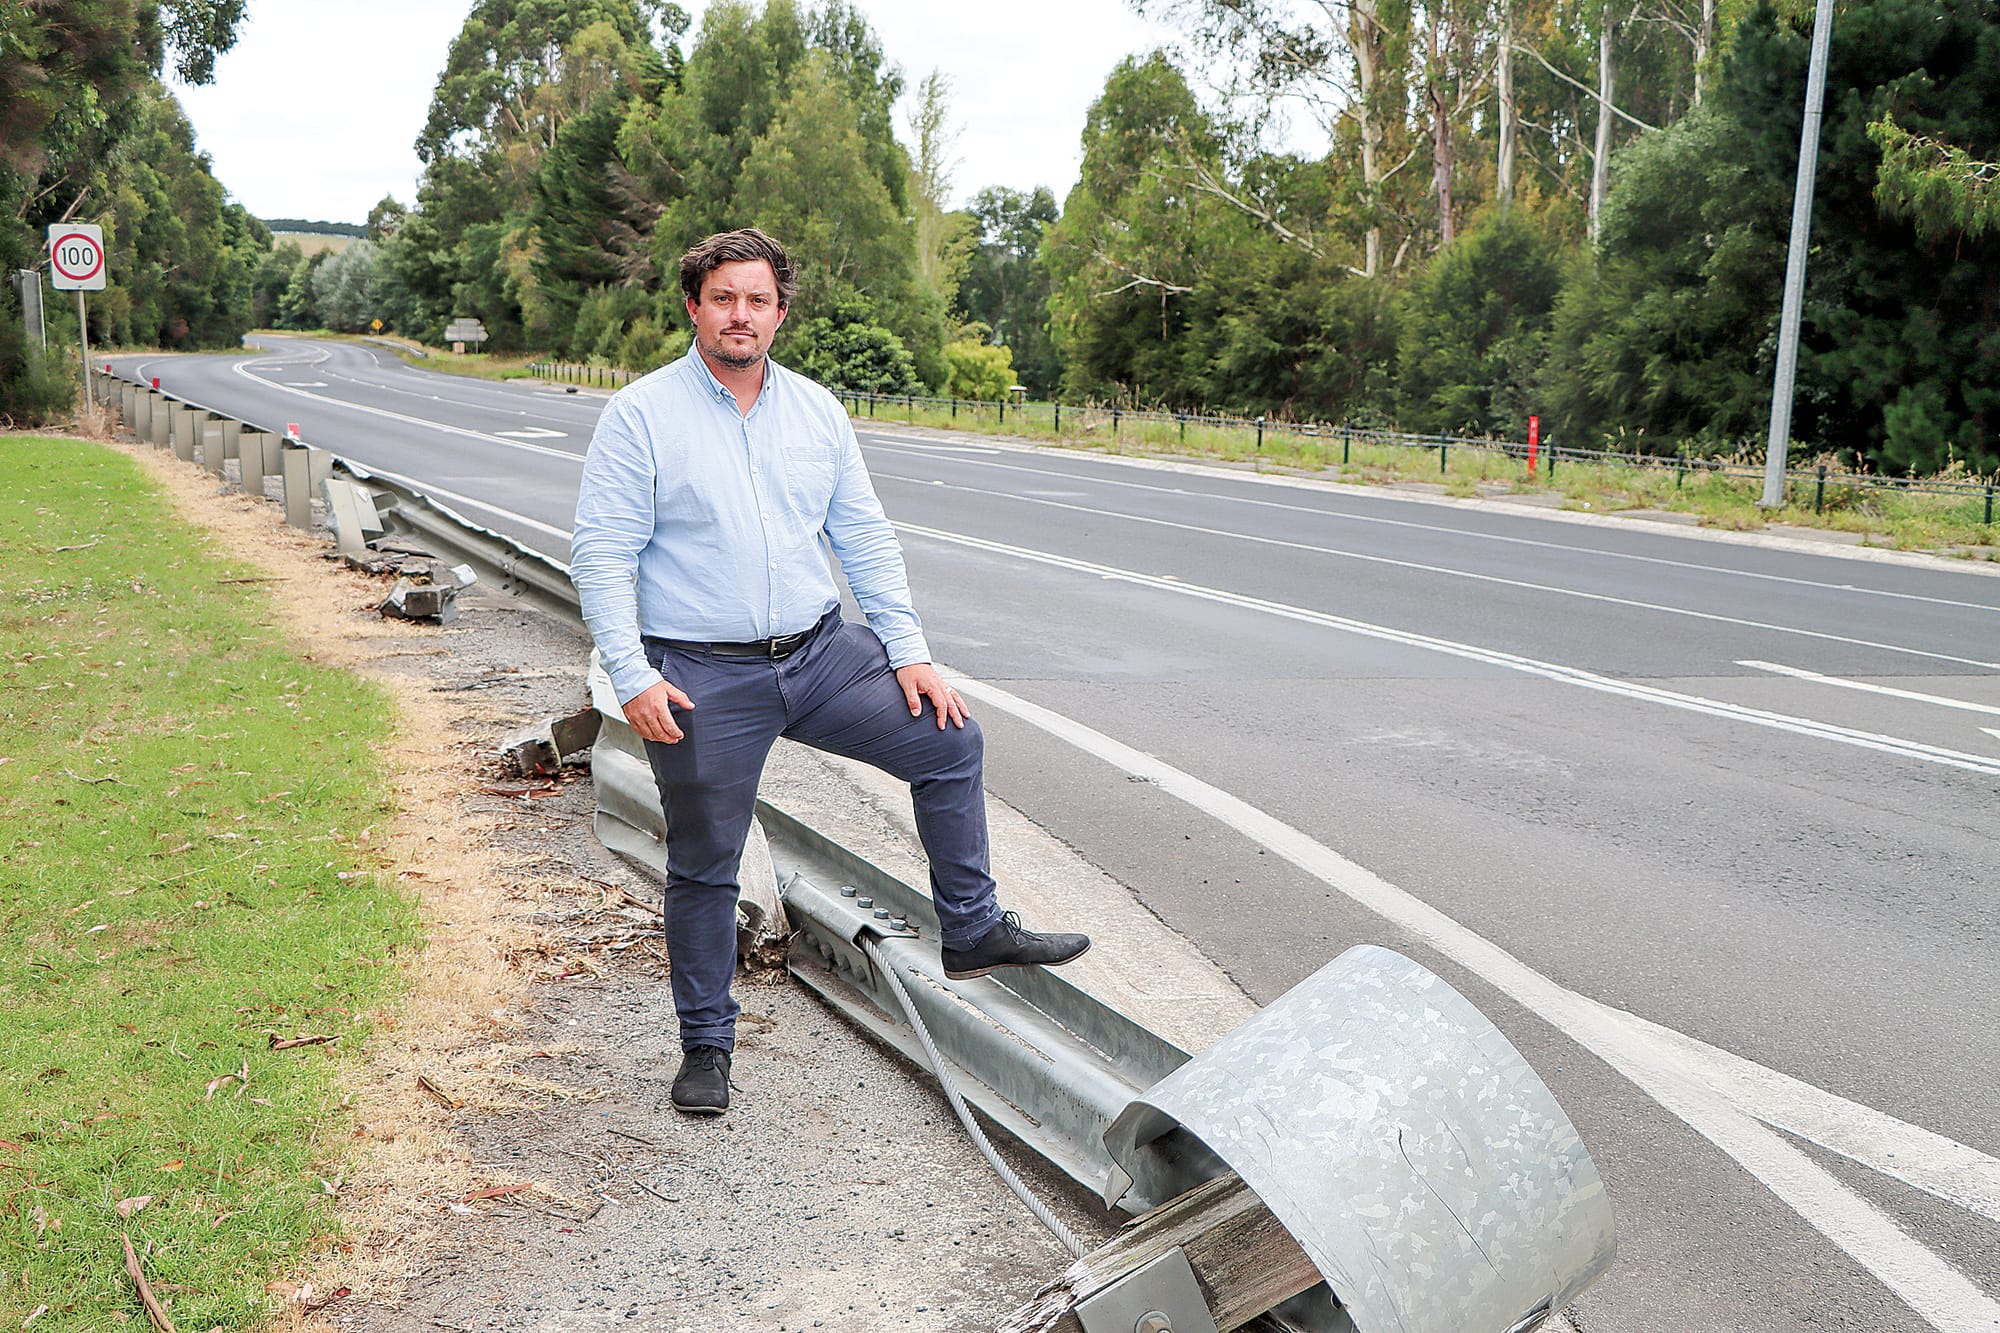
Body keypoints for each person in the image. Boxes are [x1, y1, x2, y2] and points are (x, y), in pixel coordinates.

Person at [569, 228, 1091, 1117]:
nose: (743, 315)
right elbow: (599, 552)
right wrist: (631, 674)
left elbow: (864, 537)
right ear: (694, 305)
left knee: (949, 737)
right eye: (725, 298)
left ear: (780, 311)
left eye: (759, 300)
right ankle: (706, 1045)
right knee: (706, 865)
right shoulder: (642, 415)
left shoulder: (817, 412)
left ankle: (970, 927)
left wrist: (910, 651)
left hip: (819, 654)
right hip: (701, 674)